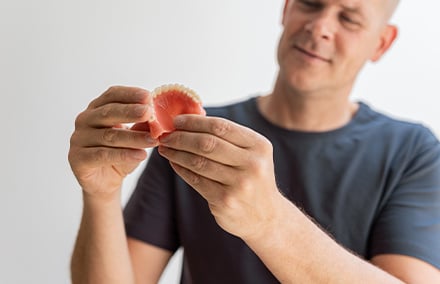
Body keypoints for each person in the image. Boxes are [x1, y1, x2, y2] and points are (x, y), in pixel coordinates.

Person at [69, 0, 440, 283]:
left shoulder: (412, 153)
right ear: (287, 7)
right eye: (311, 2)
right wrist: (100, 195)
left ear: (382, 42)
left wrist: (270, 222)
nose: (320, 26)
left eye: (349, 19)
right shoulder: (190, 138)